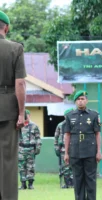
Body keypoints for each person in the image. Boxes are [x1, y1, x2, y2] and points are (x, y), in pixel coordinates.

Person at [0, 10, 26, 200]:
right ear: (6, 27)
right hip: (8, 110)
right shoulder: (15, 49)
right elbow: (20, 84)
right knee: (8, 161)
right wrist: (22, 113)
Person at [64, 90, 102, 200]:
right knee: (77, 180)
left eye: (82, 99)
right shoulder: (69, 115)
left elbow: (98, 134)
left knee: (90, 180)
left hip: (90, 152)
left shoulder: (94, 115)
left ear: (86, 101)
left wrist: (99, 151)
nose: (80, 101)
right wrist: (66, 153)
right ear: (75, 102)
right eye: (78, 99)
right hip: (75, 153)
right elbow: (67, 135)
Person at [18, 109, 42, 190]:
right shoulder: (19, 126)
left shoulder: (34, 126)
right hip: (21, 149)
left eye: (27, 115)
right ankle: (23, 184)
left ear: (29, 115)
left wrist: (38, 148)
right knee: (21, 167)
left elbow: (38, 138)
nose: (26, 117)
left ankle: (30, 184)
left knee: (30, 167)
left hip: (31, 149)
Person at [54, 108, 74, 188]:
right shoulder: (60, 125)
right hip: (63, 149)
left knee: (74, 166)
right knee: (65, 167)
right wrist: (56, 148)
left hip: (74, 148)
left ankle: (73, 183)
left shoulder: (75, 124)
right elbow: (56, 137)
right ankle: (67, 183)